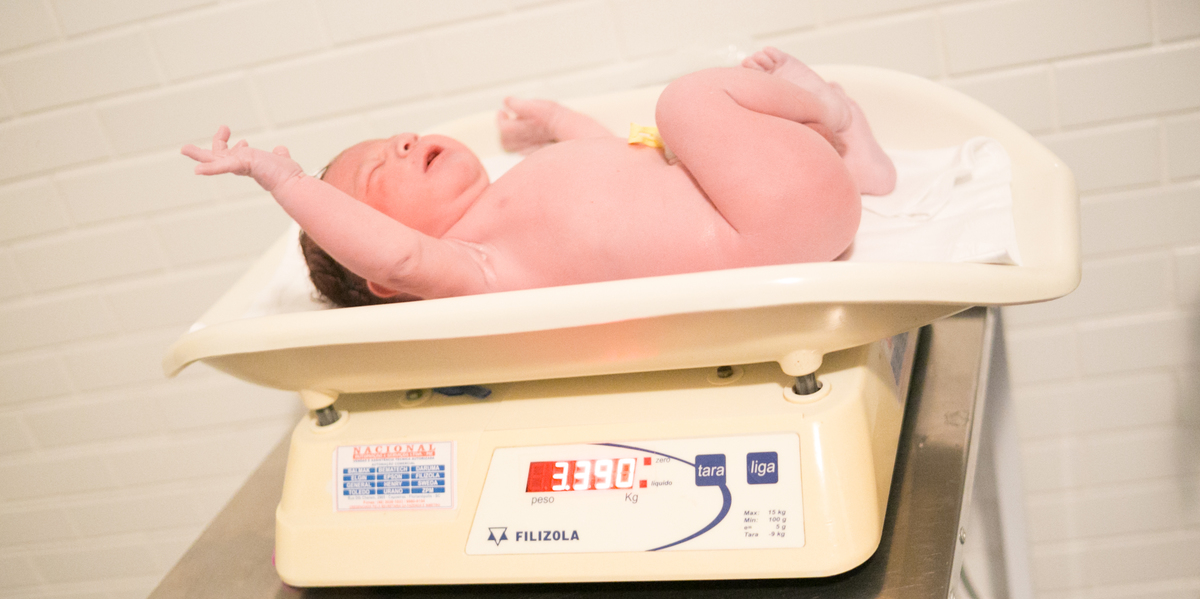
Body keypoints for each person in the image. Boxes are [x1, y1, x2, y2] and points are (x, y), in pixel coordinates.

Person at [183, 48, 895, 307]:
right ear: (383, 278)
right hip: (762, 230)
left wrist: (556, 119)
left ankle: (856, 165)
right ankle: (831, 114)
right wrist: (285, 181)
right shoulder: (474, 265)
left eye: (400, 138)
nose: (404, 141)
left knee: (677, 135)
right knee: (686, 104)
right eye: (379, 168)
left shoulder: (517, 188)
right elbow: (393, 253)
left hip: (770, 205)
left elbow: (614, 156)